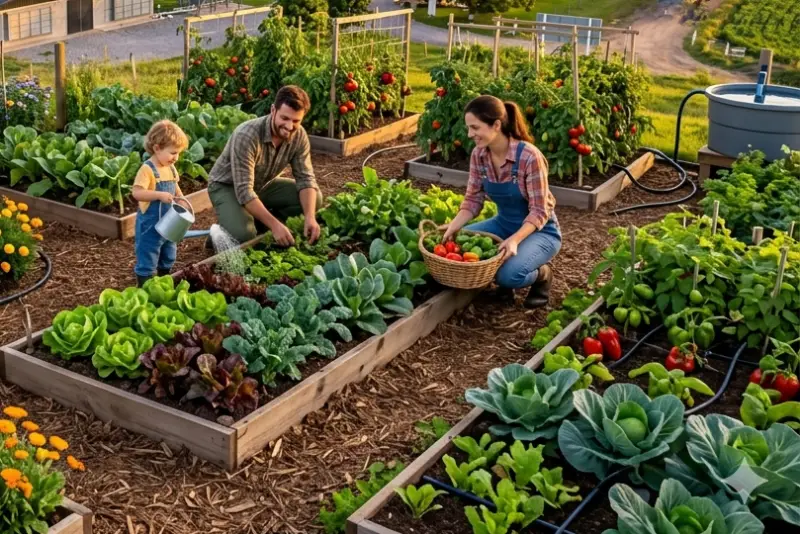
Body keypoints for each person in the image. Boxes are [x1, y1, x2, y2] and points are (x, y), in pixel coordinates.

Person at [442, 95, 562, 308]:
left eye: (475, 128)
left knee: (508, 276)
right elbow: (473, 199)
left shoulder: (529, 157)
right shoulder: (479, 155)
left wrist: (515, 240)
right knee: (459, 244)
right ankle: (505, 290)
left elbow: (539, 211)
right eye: (469, 128)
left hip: (540, 232)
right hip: (503, 224)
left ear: (496, 125)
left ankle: (542, 275)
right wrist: (453, 226)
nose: (470, 134)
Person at [207, 85, 323, 247]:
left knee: (314, 199)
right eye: (284, 118)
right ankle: (221, 231)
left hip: (261, 184)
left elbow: (306, 179)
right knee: (244, 234)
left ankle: (255, 219)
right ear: (273, 110)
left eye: (296, 121)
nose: (289, 126)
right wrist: (275, 225)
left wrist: (310, 217)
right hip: (227, 186)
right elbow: (244, 191)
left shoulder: (299, 135)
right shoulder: (247, 135)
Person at [132, 120, 190, 287]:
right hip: (150, 225)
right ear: (157, 148)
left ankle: (164, 279)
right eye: (173, 153)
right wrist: (158, 195)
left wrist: (181, 198)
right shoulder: (147, 169)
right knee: (148, 253)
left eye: (178, 153)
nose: (176, 158)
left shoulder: (170, 168)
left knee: (169, 251)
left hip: (170, 222)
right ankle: (145, 285)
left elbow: (175, 186)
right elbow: (137, 193)